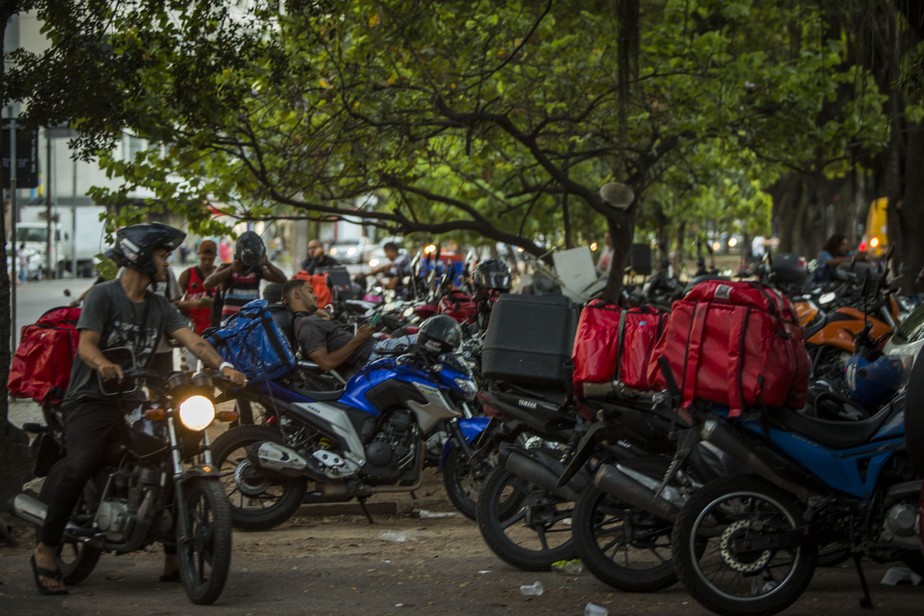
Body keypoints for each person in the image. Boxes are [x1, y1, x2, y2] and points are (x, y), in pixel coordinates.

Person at [30, 222, 246, 596]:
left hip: (133, 401)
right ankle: (46, 549)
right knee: (81, 464)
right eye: (162, 256)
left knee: (172, 452)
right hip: (90, 400)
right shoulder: (102, 296)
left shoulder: (160, 306)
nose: (166, 263)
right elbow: (86, 345)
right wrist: (103, 365)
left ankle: (174, 558)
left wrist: (224, 367)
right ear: (141, 257)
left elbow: (193, 340)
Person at [282, 279, 416, 374]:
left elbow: (325, 316)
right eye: (310, 291)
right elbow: (326, 363)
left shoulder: (308, 320)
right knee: (432, 333)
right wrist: (359, 338)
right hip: (374, 354)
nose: (315, 296)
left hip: (376, 349)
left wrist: (312, 308)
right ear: (296, 294)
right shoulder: (307, 324)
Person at [203, 231, 287, 323]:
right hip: (230, 325)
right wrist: (231, 270)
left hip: (251, 324)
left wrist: (268, 264)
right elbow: (207, 284)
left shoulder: (257, 270)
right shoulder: (226, 268)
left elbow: (283, 279)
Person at [176, 239, 219, 369]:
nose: (206, 262)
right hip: (191, 330)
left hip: (213, 330)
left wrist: (214, 303)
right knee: (188, 369)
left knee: (211, 370)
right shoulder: (187, 274)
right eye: (203, 258)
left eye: (210, 259)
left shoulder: (220, 275)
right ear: (198, 255)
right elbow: (175, 302)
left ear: (215, 257)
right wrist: (192, 304)